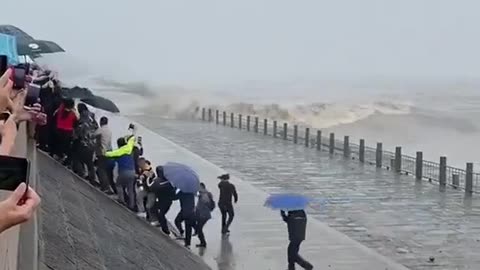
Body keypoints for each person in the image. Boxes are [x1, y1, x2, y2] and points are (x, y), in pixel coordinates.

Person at [105, 136, 137, 210]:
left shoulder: (119, 153)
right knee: (130, 189)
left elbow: (112, 160)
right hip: (132, 171)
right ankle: (132, 205)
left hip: (124, 172)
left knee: (118, 185)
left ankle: (121, 200)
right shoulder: (129, 151)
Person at [73, 103, 98, 185]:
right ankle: (92, 178)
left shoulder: (82, 120)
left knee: (77, 158)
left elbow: (78, 133)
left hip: (85, 143)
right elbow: (96, 128)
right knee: (90, 162)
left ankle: (81, 174)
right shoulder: (92, 118)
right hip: (93, 143)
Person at [149, 166, 176, 233]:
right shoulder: (166, 181)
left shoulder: (162, 182)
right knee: (154, 209)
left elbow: (151, 187)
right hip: (164, 200)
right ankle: (158, 222)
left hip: (166, 201)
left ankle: (165, 229)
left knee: (161, 214)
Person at [54, 98, 78, 165]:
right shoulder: (73, 114)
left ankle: (57, 155)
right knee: (65, 146)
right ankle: (62, 157)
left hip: (58, 130)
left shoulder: (60, 111)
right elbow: (76, 124)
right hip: (67, 132)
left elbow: (55, 117)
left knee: (59, 144)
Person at [94, 116, 114, 194]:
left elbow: (93, 135)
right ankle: (105, 186)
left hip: (102, 152)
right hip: (108, 152)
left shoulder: (101, 129)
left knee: (100, 170)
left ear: (101, 122)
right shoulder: (109, 131)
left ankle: (105, 187)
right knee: (103, 169)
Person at [195, 182, 215, 248]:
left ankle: (203, 243)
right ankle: (202, 242)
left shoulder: (204, 195)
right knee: (199, 228)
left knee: (199, 228)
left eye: (199, 187)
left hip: (204, 215)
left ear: (202, 187)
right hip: (203, 214)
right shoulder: (204, 194)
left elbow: (204, 203)